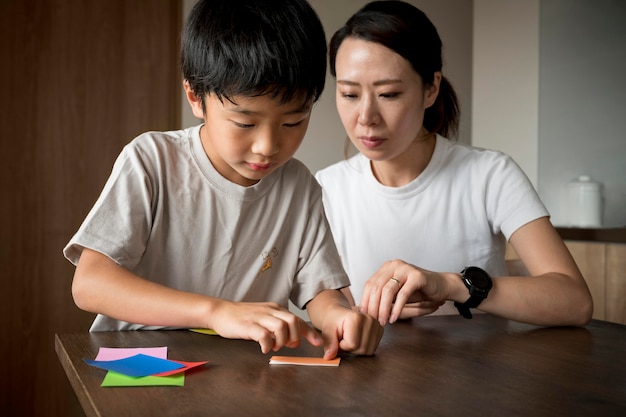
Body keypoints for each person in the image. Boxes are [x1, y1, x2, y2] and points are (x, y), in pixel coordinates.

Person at [63, 0, 383, 360]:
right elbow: (90, 285)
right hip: (141, 363)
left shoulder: (299, 186)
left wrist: (340, 317)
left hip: (243, 372)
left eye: (293, 122)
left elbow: (321, 291)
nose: (268, 147)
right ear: (196, 98)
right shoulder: (152, 161)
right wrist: (216, 313)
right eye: (245, 123)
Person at [315, 0, 592, 327]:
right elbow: (326, 305)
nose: (366, 118)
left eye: (388, 94)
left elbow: (574, 300)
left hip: (481, 371)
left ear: (431, 89)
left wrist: (452, 285)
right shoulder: (326, 189)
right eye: (349, 94)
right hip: (372, 370)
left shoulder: (490, 175)